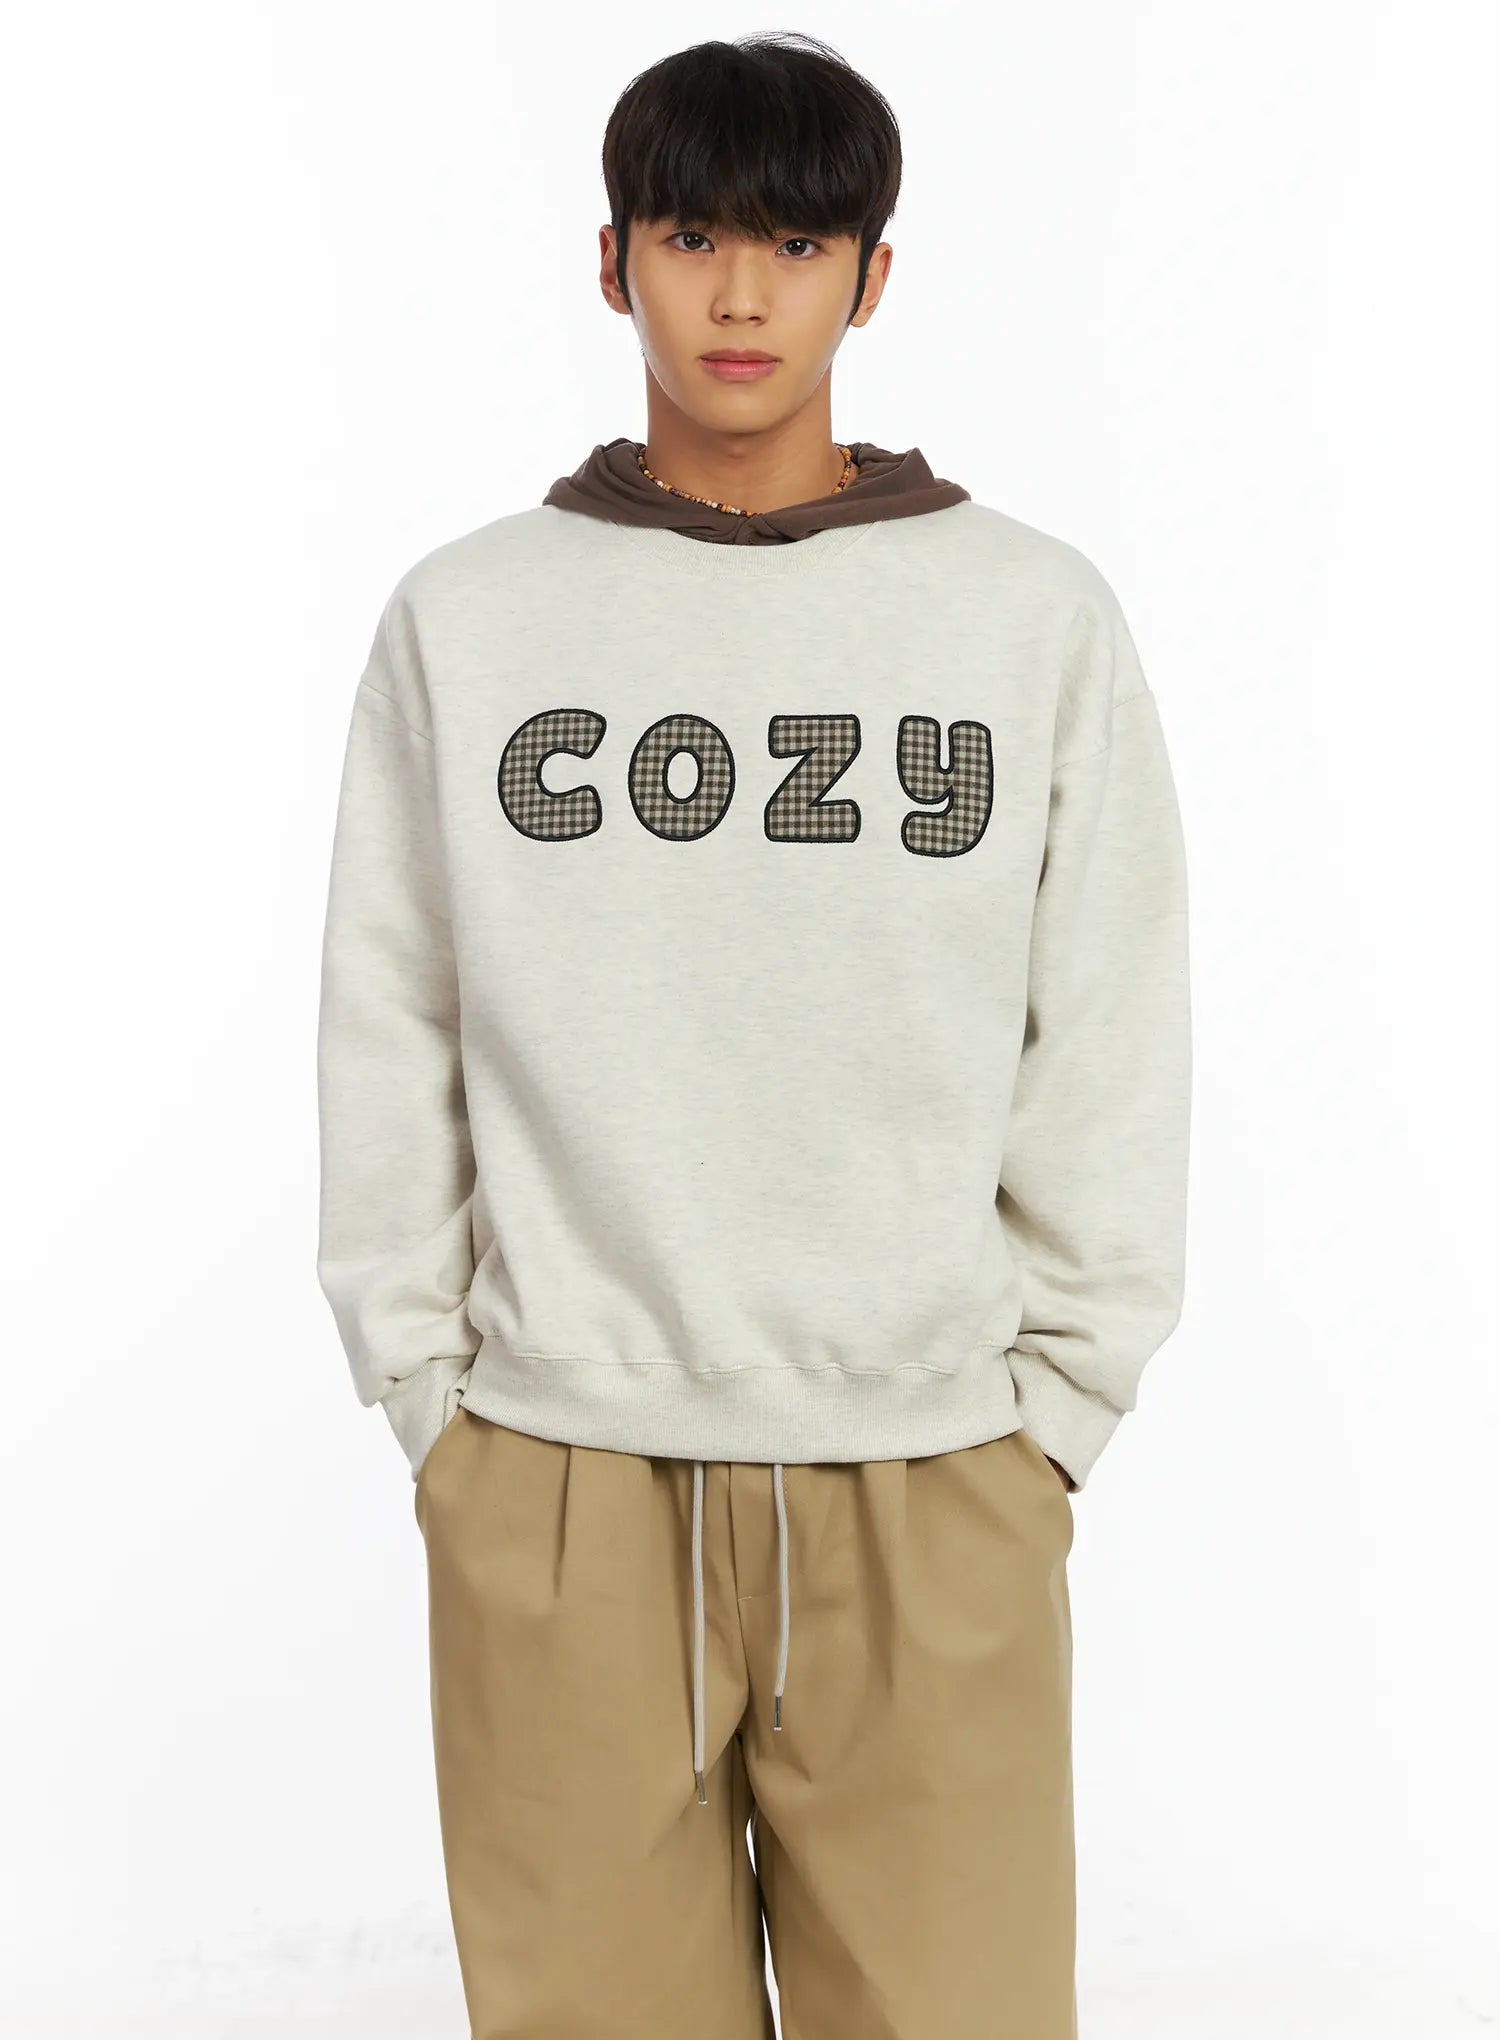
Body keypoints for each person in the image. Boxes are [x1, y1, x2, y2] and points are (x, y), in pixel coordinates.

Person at [315, 30, 1191, 2040]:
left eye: (796, 245)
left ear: (871, 279)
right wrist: (435, 1406)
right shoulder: (471, 619)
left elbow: (1113, 1025)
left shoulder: (1029, 618)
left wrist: (1056, 1414)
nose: (738, 294)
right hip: (559, 1478)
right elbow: (388, 1011)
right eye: (690, 234)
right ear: (609, 259)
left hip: (933, 1473)